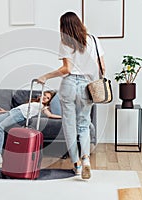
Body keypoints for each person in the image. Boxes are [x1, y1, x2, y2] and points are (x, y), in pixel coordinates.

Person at [37, 12, 106, 180]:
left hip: (69, 85)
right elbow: (102, 67)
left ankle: (76, 165)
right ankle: (86, 159)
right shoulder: (94, 40)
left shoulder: (65, 41)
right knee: (84, 124)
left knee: (69, 126)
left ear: (64, 27)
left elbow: (66, 69)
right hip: (87, 87)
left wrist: (45, 76)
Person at [0, 90, 61, 167]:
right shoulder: (32, 102)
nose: (45, 97)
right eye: (44, 95)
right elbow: (18, 109)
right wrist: (5, 111)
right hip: (13, 112)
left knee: (0, 127)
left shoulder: (43, 107)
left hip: (20, 115)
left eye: (47, 98)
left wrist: (63, 117)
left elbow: (50, 115)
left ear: (49, 101)